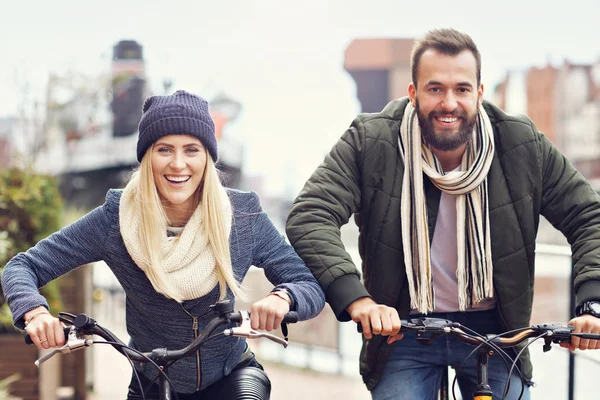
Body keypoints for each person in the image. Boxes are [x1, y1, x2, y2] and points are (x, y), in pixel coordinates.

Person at [286, 28, 600, 399]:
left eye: (462, 89)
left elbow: (588, 216)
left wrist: (592, 304)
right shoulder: (370, 141)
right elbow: (310, 214)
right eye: (435, 89)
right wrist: (359, 300)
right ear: (413, 93)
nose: (449, 103)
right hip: (403, 330)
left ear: (479, 94)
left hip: (496, 331)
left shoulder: (522, 144)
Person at [1, 90, 325, 399]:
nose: (178, 164)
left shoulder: (242, 216)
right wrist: (35, 312)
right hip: (152, 378)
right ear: (147, 157)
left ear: (208, 158)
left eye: (192, 150)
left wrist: (283, 297)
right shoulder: (114, 221)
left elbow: (307, 281)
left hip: (230, 374)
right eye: (164, 149)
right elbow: (23, 266)